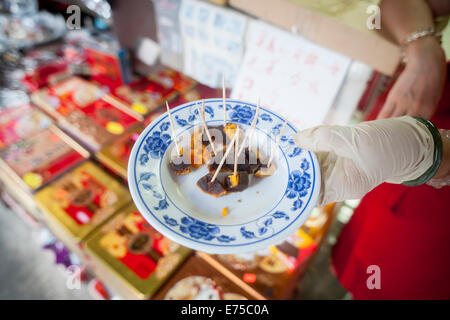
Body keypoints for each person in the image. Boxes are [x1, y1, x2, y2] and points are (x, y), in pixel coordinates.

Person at [293, 0, 450, 299]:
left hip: (437, 223)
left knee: (399, 278)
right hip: (399, 129)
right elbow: (391, 7)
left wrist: (436, 155)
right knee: (363, 252)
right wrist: (423, 49)